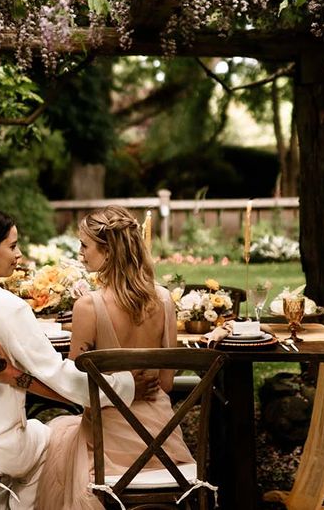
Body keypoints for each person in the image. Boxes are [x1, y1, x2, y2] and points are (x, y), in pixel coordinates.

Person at [0, 207, 151, 510]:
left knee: (36, 440)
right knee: (51, 443)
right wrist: (124, 385)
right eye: (13, 246)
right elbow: (60, 376)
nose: (19, 255)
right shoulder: (8, 308)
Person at [30, 205, 195, 509]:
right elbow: (167, 384)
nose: (80, 252)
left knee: (54, 443)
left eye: (84, 245)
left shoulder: (88, 307)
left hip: (105, 445)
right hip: (162, 442)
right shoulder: (163, 300)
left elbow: (82, 391)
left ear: (107, 252)